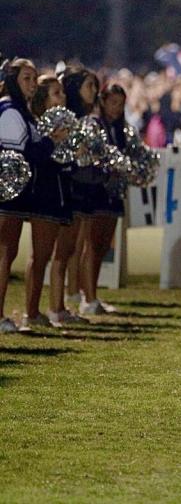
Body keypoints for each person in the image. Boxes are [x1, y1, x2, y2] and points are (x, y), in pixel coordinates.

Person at [0, 58, 69, 332]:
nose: (31, 84)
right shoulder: (9, 111)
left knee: (8, 253)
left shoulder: (22, 112)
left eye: (33, 78)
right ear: (12, 80)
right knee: (4, 254)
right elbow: (25, 156)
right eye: (26, 79)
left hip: (17, 196)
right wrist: (53, 141)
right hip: (7, 195)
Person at [29, 74, 87, 326]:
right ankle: (33, 312)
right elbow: (40, 158)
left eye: (62, 92)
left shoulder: (66, 125)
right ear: (44, 99)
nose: (62, 97)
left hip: (62, 193)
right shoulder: (40, 126)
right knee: (41, 256)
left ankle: (55, 307)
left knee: (61, 252)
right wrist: (54, 141)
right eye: (56, 93)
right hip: (45, 194)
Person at [73, 83, 129, 315]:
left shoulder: (120, 128)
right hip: (96, 190)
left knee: (104, 245)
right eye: (113, 102)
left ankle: (92, 294)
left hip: (112, 193)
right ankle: (88, 297)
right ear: (103, 101)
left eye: (121, 104)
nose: (116, 108)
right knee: (92, 245)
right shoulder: (94, 124)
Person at [54, 67, 100, 314]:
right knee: (65, 250)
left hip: (85, 186)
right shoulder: (69, 120)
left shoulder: (88, 118)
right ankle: (60, 303)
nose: (94, 92)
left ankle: (71, 296)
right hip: (72, 186)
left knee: (78, 246)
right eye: (88, 86)